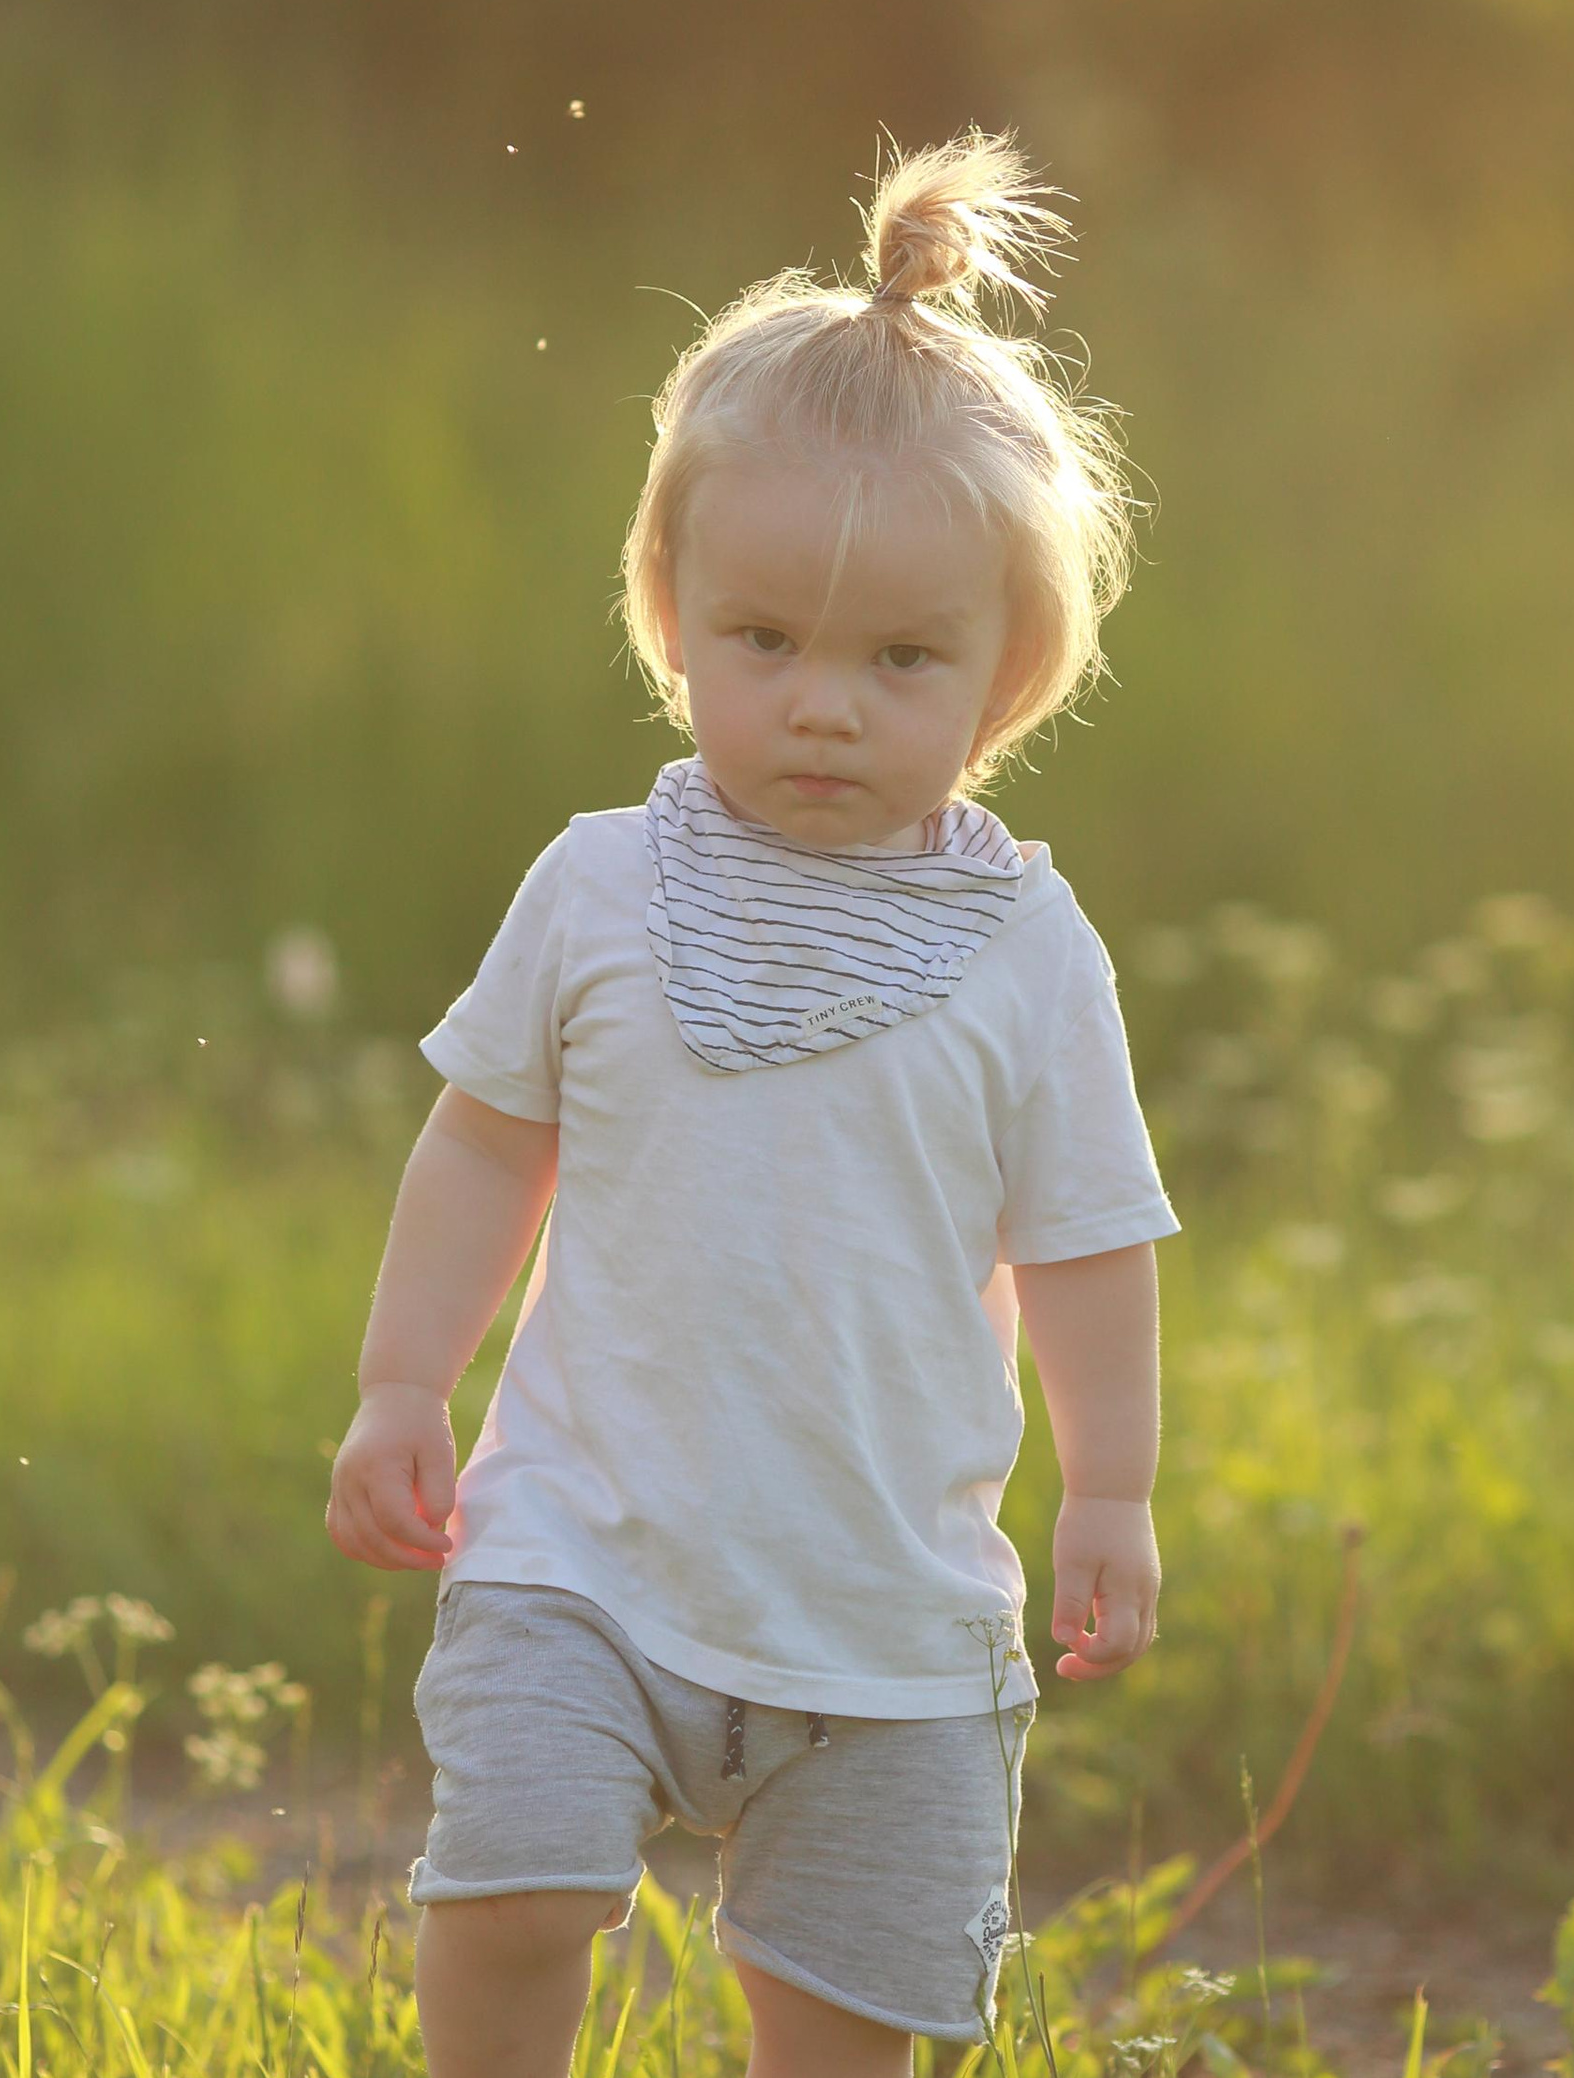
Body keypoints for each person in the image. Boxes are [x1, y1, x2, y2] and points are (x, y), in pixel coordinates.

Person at [325, 125, 1182, 2077]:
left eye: (899, 658)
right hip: (577, 1550)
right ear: (669, 615)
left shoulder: (1027, 952)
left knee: (849, 2020)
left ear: (1006, 672)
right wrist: (401, 1379)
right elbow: (483, 1140)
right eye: (762, 641)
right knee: (513, 1887)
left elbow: (1088, 1242)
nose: (819, 701)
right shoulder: (596, 886)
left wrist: (1110, 1484)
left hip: (883, 1615)